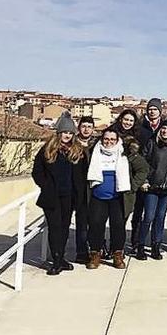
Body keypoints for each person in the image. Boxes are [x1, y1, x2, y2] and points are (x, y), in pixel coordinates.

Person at [31, 112, 86, 275]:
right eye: (65, 132)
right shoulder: (47, 149)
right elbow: (37, 172)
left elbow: (81, 174)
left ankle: (61, 257)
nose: (67, 136)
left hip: (69, 196)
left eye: (70, 133)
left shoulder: (77, 151)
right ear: (59, 133)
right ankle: (56, 260)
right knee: (54, 228)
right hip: (52, 196)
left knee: (64, 227)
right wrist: (46, 186)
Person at [86, 128, 134, 270]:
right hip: (97, 196)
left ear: (117, 140)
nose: (109, 142)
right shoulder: (93, 152)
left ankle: (117, 254)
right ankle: (95, 254)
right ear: (102, 139)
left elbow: (142, 168)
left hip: (117, 197)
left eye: (112, 139)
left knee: (118, 226)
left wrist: (133, 186)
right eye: (106, 139)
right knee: (95, 225)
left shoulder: (125, 153)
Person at [137, 118, 167, 261]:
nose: (165, 131)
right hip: (152, 187)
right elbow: (142, 163)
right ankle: (140, 246)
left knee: (160, 217)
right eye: (163, 129)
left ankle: (155, 246)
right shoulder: (152, 143)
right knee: (148, 217)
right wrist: (144, 180)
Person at [130, 99, 161, 252]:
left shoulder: (165, 127)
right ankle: (136, 242)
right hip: (141, 174)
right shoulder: (140, 128)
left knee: (154, 214)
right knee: (138, 211)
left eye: (155, 109)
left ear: (160, 111)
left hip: (158, 177)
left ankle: (155, 243)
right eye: (150, 109)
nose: (152, 111)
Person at [72, 115, 96, 264]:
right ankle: (81, 252)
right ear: (79, 128)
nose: (86, 129)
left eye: (89, 126)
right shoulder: (72, 144)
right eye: (84, 126)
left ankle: (95, 249)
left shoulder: (97, 145)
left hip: (94, 188)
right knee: (81, 222)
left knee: (95, 222)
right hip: (77, 188)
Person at [121, 135, 150, 257]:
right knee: (120, 220)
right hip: (119, 189)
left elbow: (143, 169)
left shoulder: (135, 157)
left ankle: (136, 243)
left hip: (131, 190)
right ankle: (117, 246)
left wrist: (133, 185)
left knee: (136, 217)